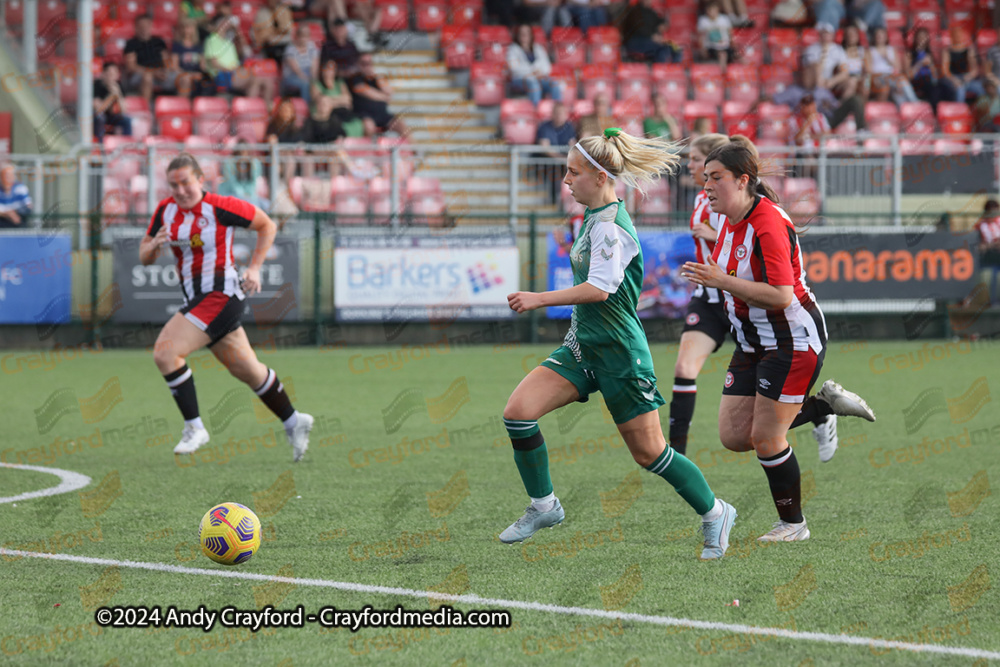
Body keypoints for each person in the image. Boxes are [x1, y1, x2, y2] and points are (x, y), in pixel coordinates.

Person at [499, 127, 738, 560]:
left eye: (573, 173)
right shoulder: (593, 216)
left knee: (649, 453)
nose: (566, 181)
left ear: (600, 176)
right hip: (582, 347)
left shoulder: (610, 226)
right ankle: (544, 506)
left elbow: (600, 290)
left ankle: (716, 512)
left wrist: (539, 299)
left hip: (620, 354)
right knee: (517, 414)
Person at [680, 142, 874, 541]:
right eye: (705, 178)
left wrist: (722, 281)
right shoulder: (730, 221)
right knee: (734, 437)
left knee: (767, 438)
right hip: (752, 343)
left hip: (792, 341)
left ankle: (793, 525)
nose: (708, 186)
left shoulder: (766, 222)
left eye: (717, 178)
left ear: (743, 180)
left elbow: (782, 295)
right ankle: (820, 407)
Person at [138, 153, 314, 459]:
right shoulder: (165, 211)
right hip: (196, 298)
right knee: (247, 369)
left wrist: (255, 268)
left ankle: (195, 427)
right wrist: (152, 247)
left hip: (222, 294)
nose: (180, 190)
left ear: (200, 180)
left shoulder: (219, 206)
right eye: (173, 185)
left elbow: (267, 225)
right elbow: (144, 253)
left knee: (165, 352)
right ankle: (293, 420)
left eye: (185, 183)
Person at [204, 14, 274, 99]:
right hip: (223, 75)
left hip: (235, 72)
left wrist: (236, 29)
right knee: (255, 77)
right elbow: (214, 63)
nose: (227, 26)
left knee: (266, 81)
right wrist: (231, 69)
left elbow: (245, 48)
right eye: (224, 23)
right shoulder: (212, 40)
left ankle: (261, 109)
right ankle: (252, 108)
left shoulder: (229, 42)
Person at [348, 53, 407, 137]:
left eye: (369, 63)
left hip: (383, 115)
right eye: (364, 63)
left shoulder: (378, 78)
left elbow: (390, 92)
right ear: (358, 64)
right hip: (365, 114)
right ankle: (370, 150)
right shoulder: (354, 78)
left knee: (402, 125)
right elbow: (367, 93)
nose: (367, 66)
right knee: (369, 126)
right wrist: (385, 97)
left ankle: (415, 150)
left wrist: (377, 77)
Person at [123, 15, 176, 104]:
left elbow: (167, 60)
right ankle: (146, 110)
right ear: (136, 27)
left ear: (151, 26)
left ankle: (178, 109)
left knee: (184, 78)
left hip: (160, 73)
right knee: (148, 77)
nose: (144, 29)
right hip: (140, 75)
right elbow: (131, 67)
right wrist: (153, 72)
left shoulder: (159, 41)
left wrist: (165, 71)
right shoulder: (131, 43)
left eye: (147, 26)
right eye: (141, 26)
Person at [507, 23, 562, 108]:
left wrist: (538, 72)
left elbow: (547, 67)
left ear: (531, 35)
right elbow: (514, 68)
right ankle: (535, 112)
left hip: (539, 77)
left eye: (527, 33)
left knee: (554, 83)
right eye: (522, 33)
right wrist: (533, 71)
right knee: (534, 84)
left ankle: (557, 111)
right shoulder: (512, 50)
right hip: (520, 79)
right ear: (517, 35)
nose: (524, 35)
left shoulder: (538, 48)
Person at [312, 60, 365, 137]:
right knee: (339, 124)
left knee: (357, 123)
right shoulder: (316, 84)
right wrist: (340, 100)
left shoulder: (340, 82)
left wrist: (329, 101)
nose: (329, 71)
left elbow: (348, 99)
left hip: (342, 112)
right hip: (327, 115)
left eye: (332, 69)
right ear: (322, 70)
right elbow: (320, 101)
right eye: (327, 68)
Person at [866, 26, 918, 105]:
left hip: (891, 76)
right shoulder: (870, 50)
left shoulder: (891, 50)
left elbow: (898, 68)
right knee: (895, 85)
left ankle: (911, 103)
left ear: (886, 37)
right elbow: (869, 69)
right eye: (877, 35)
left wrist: (888, 59)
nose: (879, 37)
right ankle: (912, 103)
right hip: (878, 76)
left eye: (881, 35)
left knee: (901, 82)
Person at [619, 0, 681, 64]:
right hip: (635, 41)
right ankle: (660, 72)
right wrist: (652, 36)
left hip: (650, 41)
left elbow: (659, 21)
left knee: (676, 48)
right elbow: (639, 28)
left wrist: (663, 24)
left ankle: (675, 71)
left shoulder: (651, 12)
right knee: (661, 50)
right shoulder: (633, 10)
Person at [219, 140, 269, 211]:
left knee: (266, 204)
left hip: (249, 196)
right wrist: (243, 196)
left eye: (245, 152)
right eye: (240, 152)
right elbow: (233, 184)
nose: (243, 155)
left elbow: (253, 183)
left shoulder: (254, 163)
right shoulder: (229, 163)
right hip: (232, 194)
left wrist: (249, 196)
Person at [93, 62, 133, 143]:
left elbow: (123, 111)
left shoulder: (119, 86)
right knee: (101, 118)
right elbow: (99, 109)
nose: (112, 77)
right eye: (109, 74)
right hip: (97, 116)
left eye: (114, 74)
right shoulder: (97, 85)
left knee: (127, 120)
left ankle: (127, 146)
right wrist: (111, 96)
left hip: (111, 116)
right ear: (103, 74)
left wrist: (118, 95)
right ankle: (100, 146)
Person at [940, 26, 981, 103]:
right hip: (952, 78)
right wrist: (954, 80)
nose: (958, 36)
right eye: (955, 34)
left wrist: (969, 76)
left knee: (981, 87)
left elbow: (974, 69)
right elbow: (945, 71)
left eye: (959, 34)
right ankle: (959, 111)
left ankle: (981, 111)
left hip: (966, 77)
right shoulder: (946, 51)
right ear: (952, 36)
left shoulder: (969, 50)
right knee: (960, 89)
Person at [171, 19, 209, 99]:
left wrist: (201, 74)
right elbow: (174, 66)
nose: (187, 30)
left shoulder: (199, 46)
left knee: (207, 80)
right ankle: (182, 106)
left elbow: (203, 66)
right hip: (181, 74)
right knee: (186, 79)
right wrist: (188, 74)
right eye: (185, 27)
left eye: (189, 28)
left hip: (196, 73)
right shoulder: (177, 45)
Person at [283, 23, 320, 103]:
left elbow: (314, 66)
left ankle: (319, 106)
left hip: (308, 73)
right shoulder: (290, 49)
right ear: (297, 36)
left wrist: (314, 79)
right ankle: (306, 107)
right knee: (306, 84)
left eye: (306, 35)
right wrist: (308, 79)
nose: (304, 38)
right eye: (302, 35)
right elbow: (296, 70)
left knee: (318, 82)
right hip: (292, 76)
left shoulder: (312, 46)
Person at [907, 27, 940, 108]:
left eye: (924, 37)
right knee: (932, 88)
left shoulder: (930, 54)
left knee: (942, 86)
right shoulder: (909, 54)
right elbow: (908, 75)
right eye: (919, 37)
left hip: (930, 80)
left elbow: (935, 75)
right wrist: (920, 63)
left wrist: (931, 65)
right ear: (915, 38)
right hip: (916, 80)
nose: (921, 39)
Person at [975, 199, 1000, 303]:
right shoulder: (980, 225)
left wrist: (989, 245)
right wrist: (993, 245)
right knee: (992, 274)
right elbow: (979, 246)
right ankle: (994, 302)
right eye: (992, 212)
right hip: (987, 258)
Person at [698, 0, 735, 68]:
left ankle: (749, 72)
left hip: (725, 46)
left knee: (739, 55)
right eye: (710, 10)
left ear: (717, 10)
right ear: (707, 11)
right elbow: (700, 37)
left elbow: (730, 33)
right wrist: (703, 49)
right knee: (722, 54)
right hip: (711, 47)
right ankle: (723, 74)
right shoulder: (703, 21)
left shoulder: (724, 19)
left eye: (713, 9)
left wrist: (732, 43)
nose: (711, 12)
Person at [0, 164, 32, 229]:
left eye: (10, 175)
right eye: (5, 175)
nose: (7, 178)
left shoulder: (21, 188)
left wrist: (14, 213)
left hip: (18, 222)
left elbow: (28, 206)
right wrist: (8, 213)